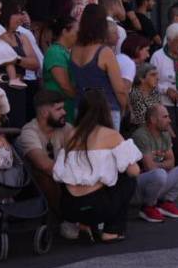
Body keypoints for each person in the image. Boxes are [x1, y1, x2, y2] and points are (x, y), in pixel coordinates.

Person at [53, 90, 140, 243]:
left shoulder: (70, 135)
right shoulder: (111, 135)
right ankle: (112, 230)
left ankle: (85, 224)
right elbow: (134, 171)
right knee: (128, 179)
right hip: (98, 206)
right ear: (104, 109)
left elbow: (59, 173)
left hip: (69, 206)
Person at [18, 90, 74, 239]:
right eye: (58, 109)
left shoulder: (67, 128)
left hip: (63, 176)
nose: (64, 112)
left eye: (63, 108)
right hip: (34, 185)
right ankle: (63, 218)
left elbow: (77, 157)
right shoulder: (29, 132)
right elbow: (43, 164)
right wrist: (73, 175)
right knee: (44, 175)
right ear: (43, 113)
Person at [131, 104, 178, 223]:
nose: (169, 120)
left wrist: (161, 165)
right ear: (153, 120)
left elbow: (171, 162)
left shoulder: (165, 134)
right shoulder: (141, 135)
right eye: (165, 117)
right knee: (159, 174)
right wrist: (163, 165)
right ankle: (148, 207)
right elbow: (149, 167)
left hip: (159, 179)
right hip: (140, 185)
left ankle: (165, 203)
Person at [65, 5, 125, 125]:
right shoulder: (105, 52)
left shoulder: (74, 50)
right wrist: (124, 107)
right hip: (106, 110)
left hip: (81, 109)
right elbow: (120, 90)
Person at [150, 22, 178, 152]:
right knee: (168, 135)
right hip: (164, 103)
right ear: (169, 41)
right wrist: (166, 89)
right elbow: (151, 81)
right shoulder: (158, 57)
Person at [124, 62, 159, 135]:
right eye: (153, 75)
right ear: (142, 79)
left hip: (156, 131)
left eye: (157, 75)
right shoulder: (134, 94)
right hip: (140, 133)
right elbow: (141, 122)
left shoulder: (155, 93)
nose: (157, 78)